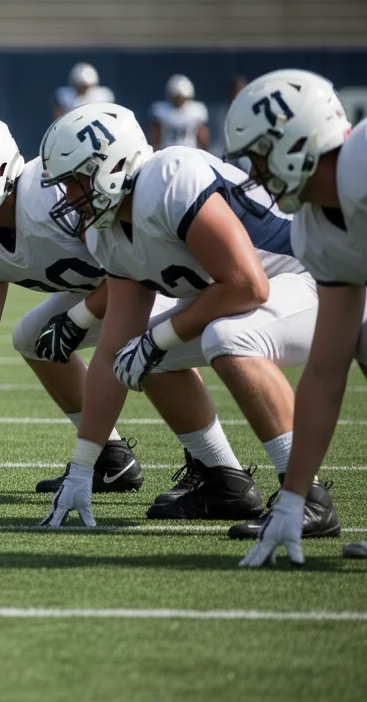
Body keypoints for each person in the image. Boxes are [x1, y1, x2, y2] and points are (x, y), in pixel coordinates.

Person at [36, 103, 337, 534]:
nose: (69, 197)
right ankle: (224, 483)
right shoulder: (106, 233)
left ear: (115, 164)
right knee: (136, 352)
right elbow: (110, 355)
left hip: (318, 279)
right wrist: (83, 467)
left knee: (227, 337)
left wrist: (159, 339)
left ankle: (306, 494)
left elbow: (247, 285)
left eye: (76, 181)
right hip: (269, 292)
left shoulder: (170, 177)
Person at [0, 114, 148, 502]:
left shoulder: (54, 194)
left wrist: (78, 317)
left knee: (152, 346)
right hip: (109, 287)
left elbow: (134, 270)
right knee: (33, 338)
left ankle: (215, 467)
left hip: (156, 277)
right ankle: (111, 458)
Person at [226, 70, 366, 565]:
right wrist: (293, 497)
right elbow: (326, 372)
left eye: (260, 157)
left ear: (295, 140)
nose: (255, 174)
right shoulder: (314, 230)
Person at [149, 74, 210, 150]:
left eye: (181, 98)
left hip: (191, 154)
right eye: (176, 98)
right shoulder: (161, 111)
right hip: (167, 153)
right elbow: (155, 139)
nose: (178, 101)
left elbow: (202, 138)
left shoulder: (196, 111)